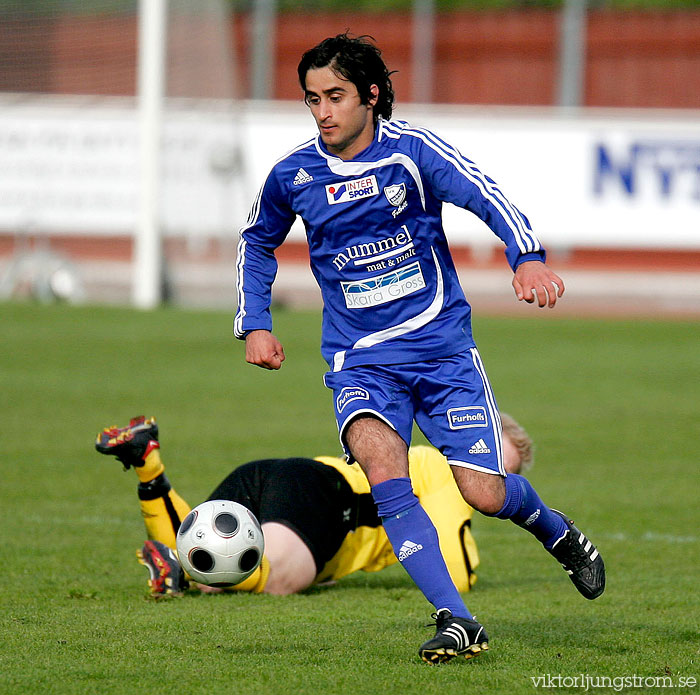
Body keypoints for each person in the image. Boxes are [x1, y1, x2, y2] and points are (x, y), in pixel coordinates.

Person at [234, 33, 605, 663]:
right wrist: (257, 323)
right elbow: (256, 241)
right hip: (361, 361)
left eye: (336, 96)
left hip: (442, 355)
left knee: (485, 495)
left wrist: (527, 259)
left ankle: (556, 530)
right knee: (386, 477)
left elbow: (485, 194)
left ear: (371, 95)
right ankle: (457, 620)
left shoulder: (413, 154)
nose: (323, 111)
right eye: (311, 99)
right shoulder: (294, 175)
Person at [95, 412, 530, 601]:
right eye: (494, 464)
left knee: (196, 550)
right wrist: (471, 562)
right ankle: (182, 576)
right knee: (274, 581)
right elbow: (455, 573)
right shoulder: (448, 473)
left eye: (505, 473)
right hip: (326, 500)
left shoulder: (422, 457)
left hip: (282, 475)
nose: (494, 479)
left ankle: (149, 466)